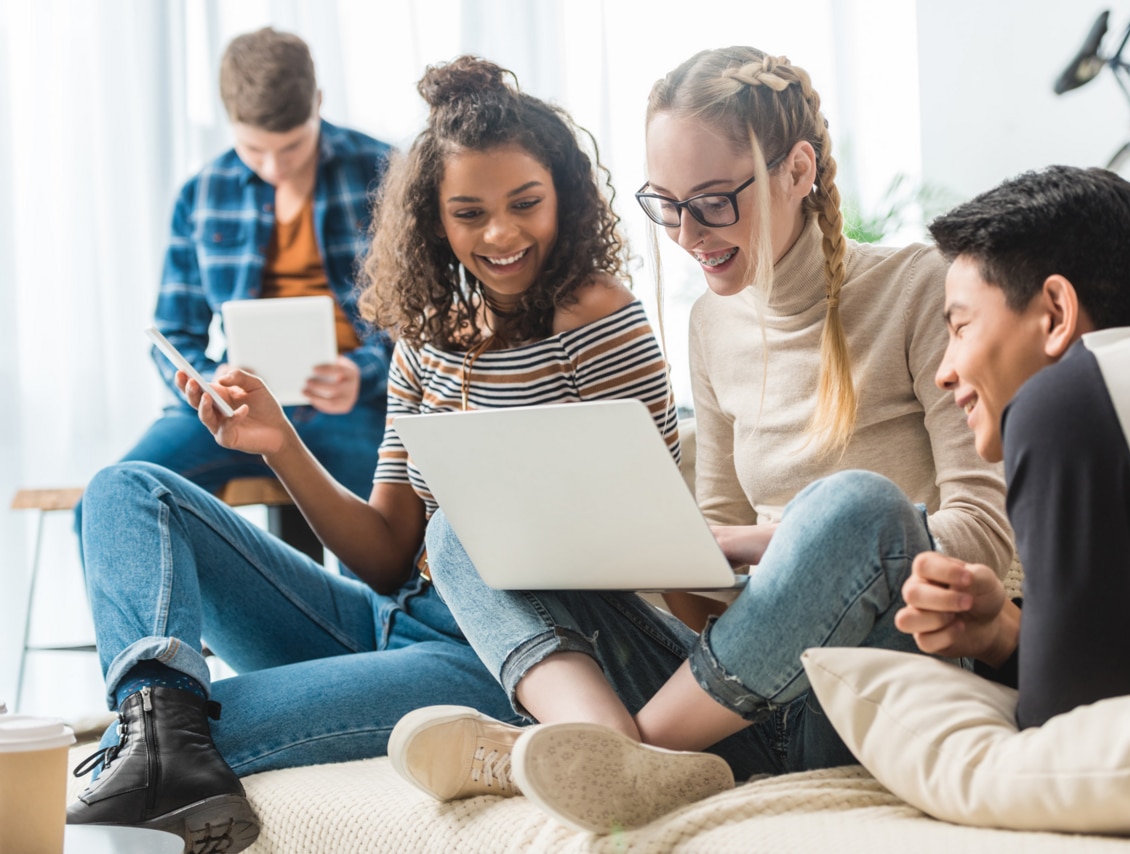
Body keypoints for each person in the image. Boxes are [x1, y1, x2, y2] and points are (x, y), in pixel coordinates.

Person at [388, 46, 1014, 834]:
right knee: (460, 528)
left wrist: (767, 542)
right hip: (744, 696)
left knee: (857, 508)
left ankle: (608, 750)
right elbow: (704, 590)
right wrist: (631, 546)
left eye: (715, 202)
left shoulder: (922, 287)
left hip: (874, 676)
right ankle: (607, 748)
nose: (688, 234)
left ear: (797, 170)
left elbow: (984, 539)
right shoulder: (712, 323)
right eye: (667, 203)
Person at [66, 55, 676, 854]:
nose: (500, 233)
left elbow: (649, 530)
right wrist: (280, 443)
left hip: (490, 651)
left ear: (563, 191)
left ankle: (157, 744)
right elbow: (387, 556)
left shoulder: (598, 320)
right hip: (385, 615)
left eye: (525, 203)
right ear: (435, 218)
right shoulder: (428, 342)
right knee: (126, 491)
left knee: (209, 728)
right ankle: (155, 717)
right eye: (469, 213)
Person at [895, 164, 1130, 732]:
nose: (943, 373)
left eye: (960, 327)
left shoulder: (1064, 402)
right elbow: (1107, 682)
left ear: (1055, 313)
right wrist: (1004, 631)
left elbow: (1074, 720)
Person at [119, 27, 392, 508]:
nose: (273, 167)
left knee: (385, 533)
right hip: (236, 406)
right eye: (253, 149)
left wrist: (363, 373)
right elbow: (173, 331)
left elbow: (427, 320)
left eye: (291, 147)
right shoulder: (200, 194)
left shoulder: (384, 172)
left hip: (354, 406)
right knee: (119, 496)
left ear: (320, 103)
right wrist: (207, 383)